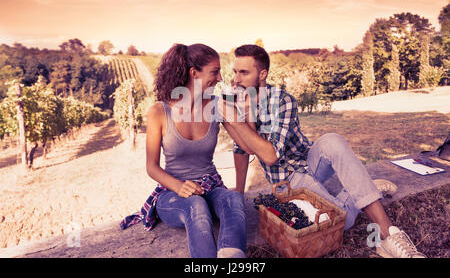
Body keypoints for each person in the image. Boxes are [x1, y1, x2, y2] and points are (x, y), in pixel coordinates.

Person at [218, 44, 426, 258]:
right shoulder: (238, 101)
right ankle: (366, 188)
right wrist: (240, 192)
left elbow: (270, 156)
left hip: (309, 161)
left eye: (244, 72)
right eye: (235, 71)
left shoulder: (282, 101)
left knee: (332, 140)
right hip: (287, 179)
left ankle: (387, 235)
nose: (236, 78)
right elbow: (242, 149)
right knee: (340, 221)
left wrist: (237, 118)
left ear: (262, 74)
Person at [120, 43, 247, 258]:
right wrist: (179, 186)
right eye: (215, 72)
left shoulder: (216, 106)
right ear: (194, 73)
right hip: (172, 194)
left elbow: (244, 145)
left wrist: (241, 109)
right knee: (195, 205)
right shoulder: (159, 112)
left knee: (233, 200)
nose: (220, 78)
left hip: (211, 185)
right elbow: (151, 167)